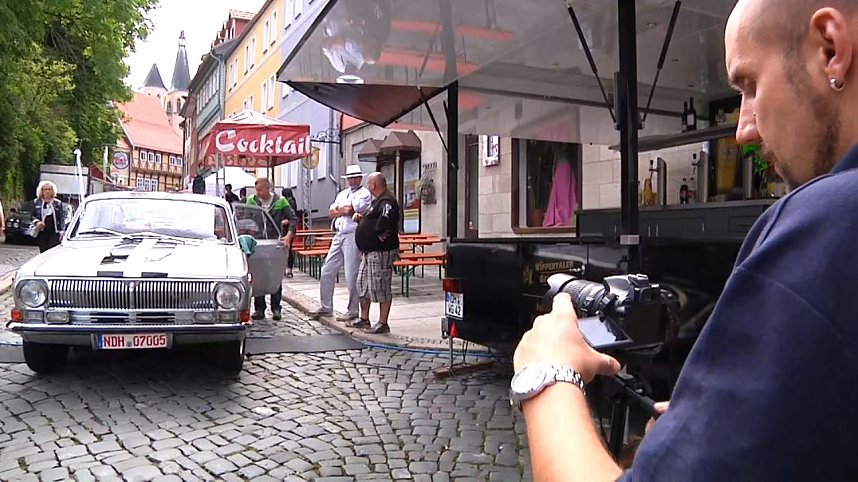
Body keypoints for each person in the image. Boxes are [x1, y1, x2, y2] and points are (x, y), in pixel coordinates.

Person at [511, 1, 858, 480]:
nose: (743, 129)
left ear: (830, 47)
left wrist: (547, 373)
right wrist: (712, 431)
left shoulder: (829, 221)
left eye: (751, 85)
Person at [318, 164, 372, 321]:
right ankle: (326, 306)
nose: (353, 180)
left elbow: (351, 210)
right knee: (327, 270)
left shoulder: (364, 194)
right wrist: (344, 210)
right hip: (339, 234)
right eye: (350, 178)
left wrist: (341, 210)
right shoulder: (342, 194)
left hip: (352, 234)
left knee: (351, 274)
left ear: (360, 178)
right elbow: (331, 212)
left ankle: (353, 310)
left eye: (355, 177)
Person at [352, 172, 400, 334]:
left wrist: (380, 231)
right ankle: (364, 318)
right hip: (368, 251)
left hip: (380, 251)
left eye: (368, 183)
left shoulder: (387, 200)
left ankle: (382, 323)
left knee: (380, 285)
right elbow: (373, 218)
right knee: (363, 284)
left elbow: (386, 218)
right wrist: (362, 220)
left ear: (373, 185)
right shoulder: (377, 201)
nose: (367, 186)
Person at [246, 178, 297, 321]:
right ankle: (259, 309)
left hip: (275, 241)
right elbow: (244, 217)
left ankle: (276, 308)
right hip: (257, 241)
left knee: (275, 274)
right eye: (256, 190)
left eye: (260, 190)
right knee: (258, 274)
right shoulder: (252, 200)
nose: (257, 193)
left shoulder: (281, 201)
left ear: (268, 189)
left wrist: (288, 236)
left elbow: (293, 219)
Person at [32, 181, 66, 253]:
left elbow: (61, 217)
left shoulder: (57, 203)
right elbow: (32, 215)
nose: (47, 191)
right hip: (42, 231)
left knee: (52, 250)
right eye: (45, 189)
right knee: (43, 250)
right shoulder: (37, 202)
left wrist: (62, 231)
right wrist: (37, 222)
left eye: (49, 189)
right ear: (41, 191)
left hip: (54, 231)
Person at [281, 187, 299, 278]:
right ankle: (289, 269)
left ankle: (286, 269)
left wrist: (284, 221)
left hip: (286, 228)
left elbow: (292, 216)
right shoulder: (293, 201)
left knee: (286, 249)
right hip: (291, 229)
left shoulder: (288, 202)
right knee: (289, 248)